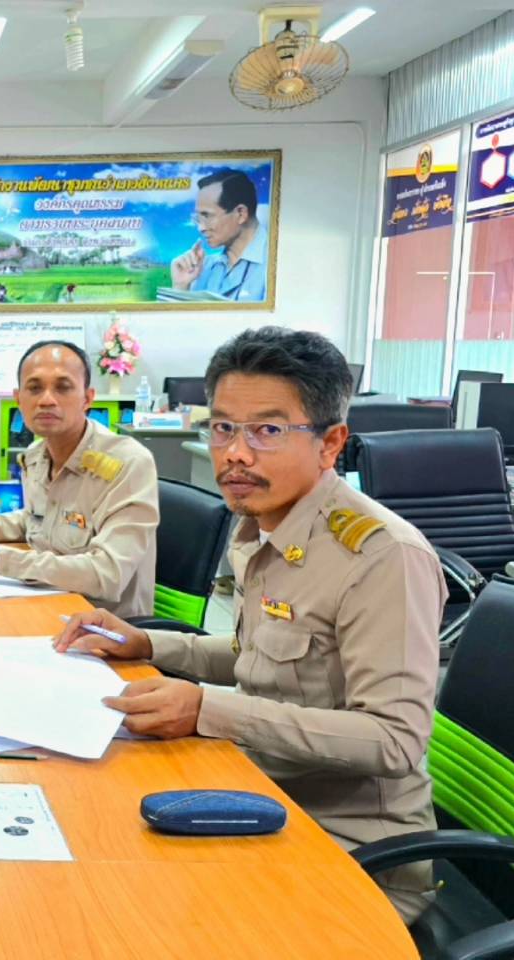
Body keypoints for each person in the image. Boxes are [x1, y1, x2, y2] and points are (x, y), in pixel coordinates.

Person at [54, 327, 441, 924]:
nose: (235, 452)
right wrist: (147, 642)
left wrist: (208, 710)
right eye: (223, 427)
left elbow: (393, 741)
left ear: (330, 442)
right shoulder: (266, 525)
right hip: (259, 794)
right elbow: (261, 656)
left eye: (267, 430)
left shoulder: (382, 557)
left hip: (351, 849)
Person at [0, 340, 157, 617]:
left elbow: (107, 574)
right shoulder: (36, 455)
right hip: (41, 603)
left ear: (88, 398)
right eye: (34, 388)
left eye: (63, 387)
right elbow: (34, 520)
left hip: (101, 629)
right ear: (18, 398)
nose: (46, 399)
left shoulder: (127, 463)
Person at [169, 168, 268, 302]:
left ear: (240, 213)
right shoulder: (202, 268)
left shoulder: (278, 263)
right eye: (198, 218)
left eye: (207, 216)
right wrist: (181, 286)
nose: (200, 228)